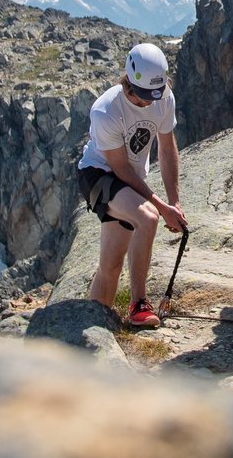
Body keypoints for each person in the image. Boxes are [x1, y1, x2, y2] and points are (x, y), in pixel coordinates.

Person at [77, 43, 188, 328]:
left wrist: (174, 201)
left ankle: (94, 320)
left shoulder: (163, 98)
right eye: (141, 97)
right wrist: (161, 207)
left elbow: (166, 148)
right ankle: (139, 304)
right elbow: (120, 168)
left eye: (154, 95)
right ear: (128, 82)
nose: (148, 103)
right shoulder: (106, 110)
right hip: (98, 174)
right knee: (147, 217)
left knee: (111, 265)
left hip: (129, 178)